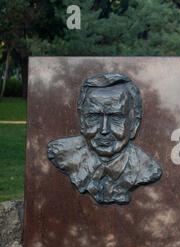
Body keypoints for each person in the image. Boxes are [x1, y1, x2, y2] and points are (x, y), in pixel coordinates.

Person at [47, 72, 162, 204]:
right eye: (94, 117)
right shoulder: (60, 154)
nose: (104, 130)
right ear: (82, 121)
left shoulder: (147, 169)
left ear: (134, 125)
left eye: (116, 118)